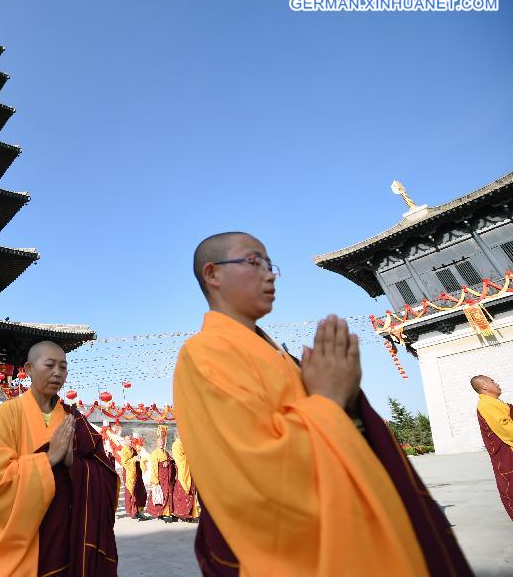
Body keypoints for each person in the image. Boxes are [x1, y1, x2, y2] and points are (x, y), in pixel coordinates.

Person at [173, 231, 472, 575]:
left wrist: (346, 397)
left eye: (271, 265)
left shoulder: (278, 354)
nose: (269, 274)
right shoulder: (204, 354)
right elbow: (256, 470)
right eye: (254, 262)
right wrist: (329, 399)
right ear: (213, 274)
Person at [0, 341, 119, 576]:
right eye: (50, 365)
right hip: (25, 540)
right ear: (28, 369)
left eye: (63, 367)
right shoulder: (8, 415)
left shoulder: (73, 417)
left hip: (68, 536)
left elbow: (105, 474)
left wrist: (73, 464)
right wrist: (49, 458)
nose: (58, 373)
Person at [471, 374, 513, 520]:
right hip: (507, 456)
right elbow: (506, 429)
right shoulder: (486, 405)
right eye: (492, 381)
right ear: (484, 387)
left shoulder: (495, 403)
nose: (497, 383)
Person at [146, 425, 175, 522]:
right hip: (160, 478)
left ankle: (166, 512)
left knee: (167, 494)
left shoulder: (166, 453)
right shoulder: (155, 454)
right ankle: (158, 513)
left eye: (163, 442)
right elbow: (153, 467)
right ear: (157, 444)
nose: (162, 444)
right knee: (160, 495)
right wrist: (155, 480)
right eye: (160, 442)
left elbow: (171, 460)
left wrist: (169, 462)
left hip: (167, 478)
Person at [170, 437, 198, 521]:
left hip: (190, 470)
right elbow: (179, 459)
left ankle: (191, 513)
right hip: (183, 472)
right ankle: (183, 514)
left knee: (191, 492)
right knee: (182, 494)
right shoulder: (176, 444)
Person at [120, 444, 148, 520]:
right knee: (131, 493)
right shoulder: (124, 451)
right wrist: (134, 460)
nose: (130, 441)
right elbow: (124, 463)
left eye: (131, 440)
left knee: (141, 492)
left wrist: (140, 459)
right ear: (125, 442)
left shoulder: (134, 450)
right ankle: (133, 512)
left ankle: (140, 511)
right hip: (129, 474)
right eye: (128, 440)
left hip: (137, 473)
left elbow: (137, 460)